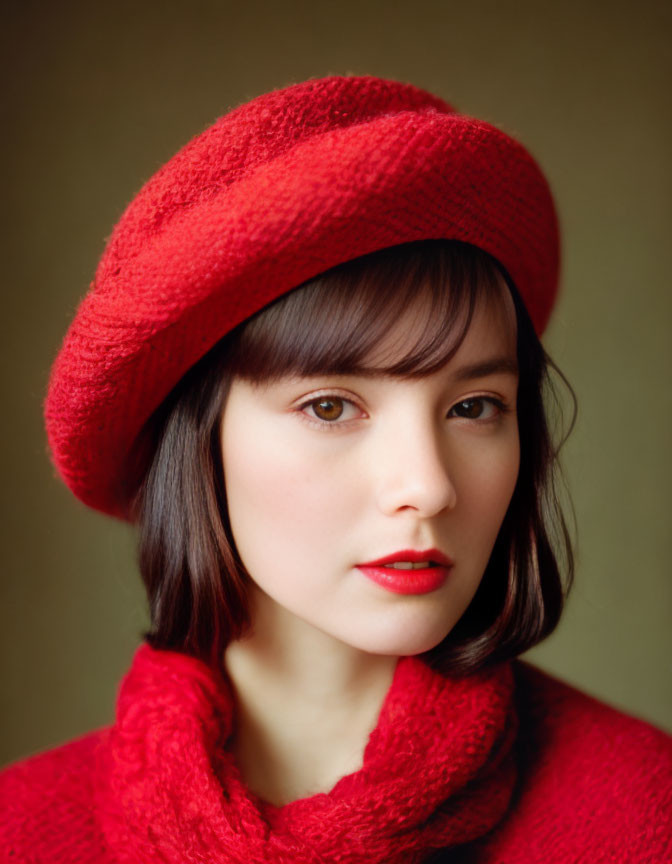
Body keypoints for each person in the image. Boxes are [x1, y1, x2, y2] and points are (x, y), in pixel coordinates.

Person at [0, 74, 670, 863]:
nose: (428, 485)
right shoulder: (24, 831)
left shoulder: (639, 818)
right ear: (198, 437)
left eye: (474, 407)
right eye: (330, 407)